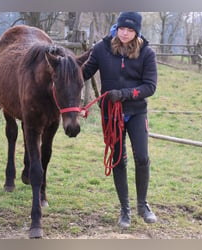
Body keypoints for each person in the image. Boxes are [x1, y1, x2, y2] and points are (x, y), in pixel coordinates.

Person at [82, 12, 158, 228]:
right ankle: (125, 209)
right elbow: (84, 72)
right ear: (117, 27)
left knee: (142, 157)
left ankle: (142, 206)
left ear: (137, 33)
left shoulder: (147, 53)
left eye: (130, 30)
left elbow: (150, 86)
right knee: (117, 159)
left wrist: (124, 94)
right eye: (122, 28)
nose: (125, 33)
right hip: (110, 113)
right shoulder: (101, 49)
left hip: (135, 111)